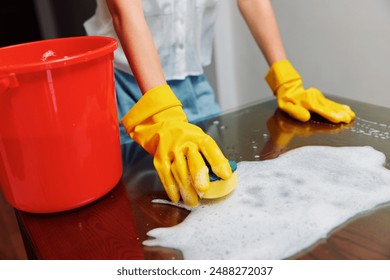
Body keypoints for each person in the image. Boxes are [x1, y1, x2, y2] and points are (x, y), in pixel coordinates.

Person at [84, 0, 355, 206]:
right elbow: (125, 12)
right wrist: (162, 113)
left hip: (192, 81)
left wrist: (285, 78)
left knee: (217, 188)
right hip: (123, 88)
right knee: (136, 202)